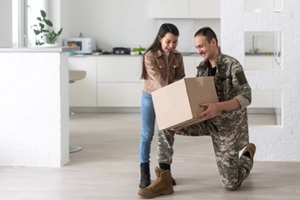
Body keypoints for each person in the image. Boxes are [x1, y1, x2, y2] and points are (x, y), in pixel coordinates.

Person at [138, 27, 256, 198]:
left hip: (227, 128)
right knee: (168, 123)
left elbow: (247, 96)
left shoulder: (233, 65)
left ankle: (247, 154)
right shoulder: (202, 68)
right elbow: (195, 101)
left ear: (213, 42)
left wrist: (218, 107)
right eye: (197, 47)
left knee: (231, 184)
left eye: (201, 46)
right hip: (205, 121)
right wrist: (182, 120)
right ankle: (164, 177)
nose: (199, 51)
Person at [138, 23, 185, 188]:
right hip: (150, 97)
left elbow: (180, 78)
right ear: (160, 38)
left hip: (168, 97)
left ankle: (165, 173)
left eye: (175, 43)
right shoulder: (149, 56)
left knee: (166, 133)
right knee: (147, 134)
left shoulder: (177, 56)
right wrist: (172, 99)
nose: (171, 46)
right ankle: (144, 174)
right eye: (168, 42)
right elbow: (158, 81)